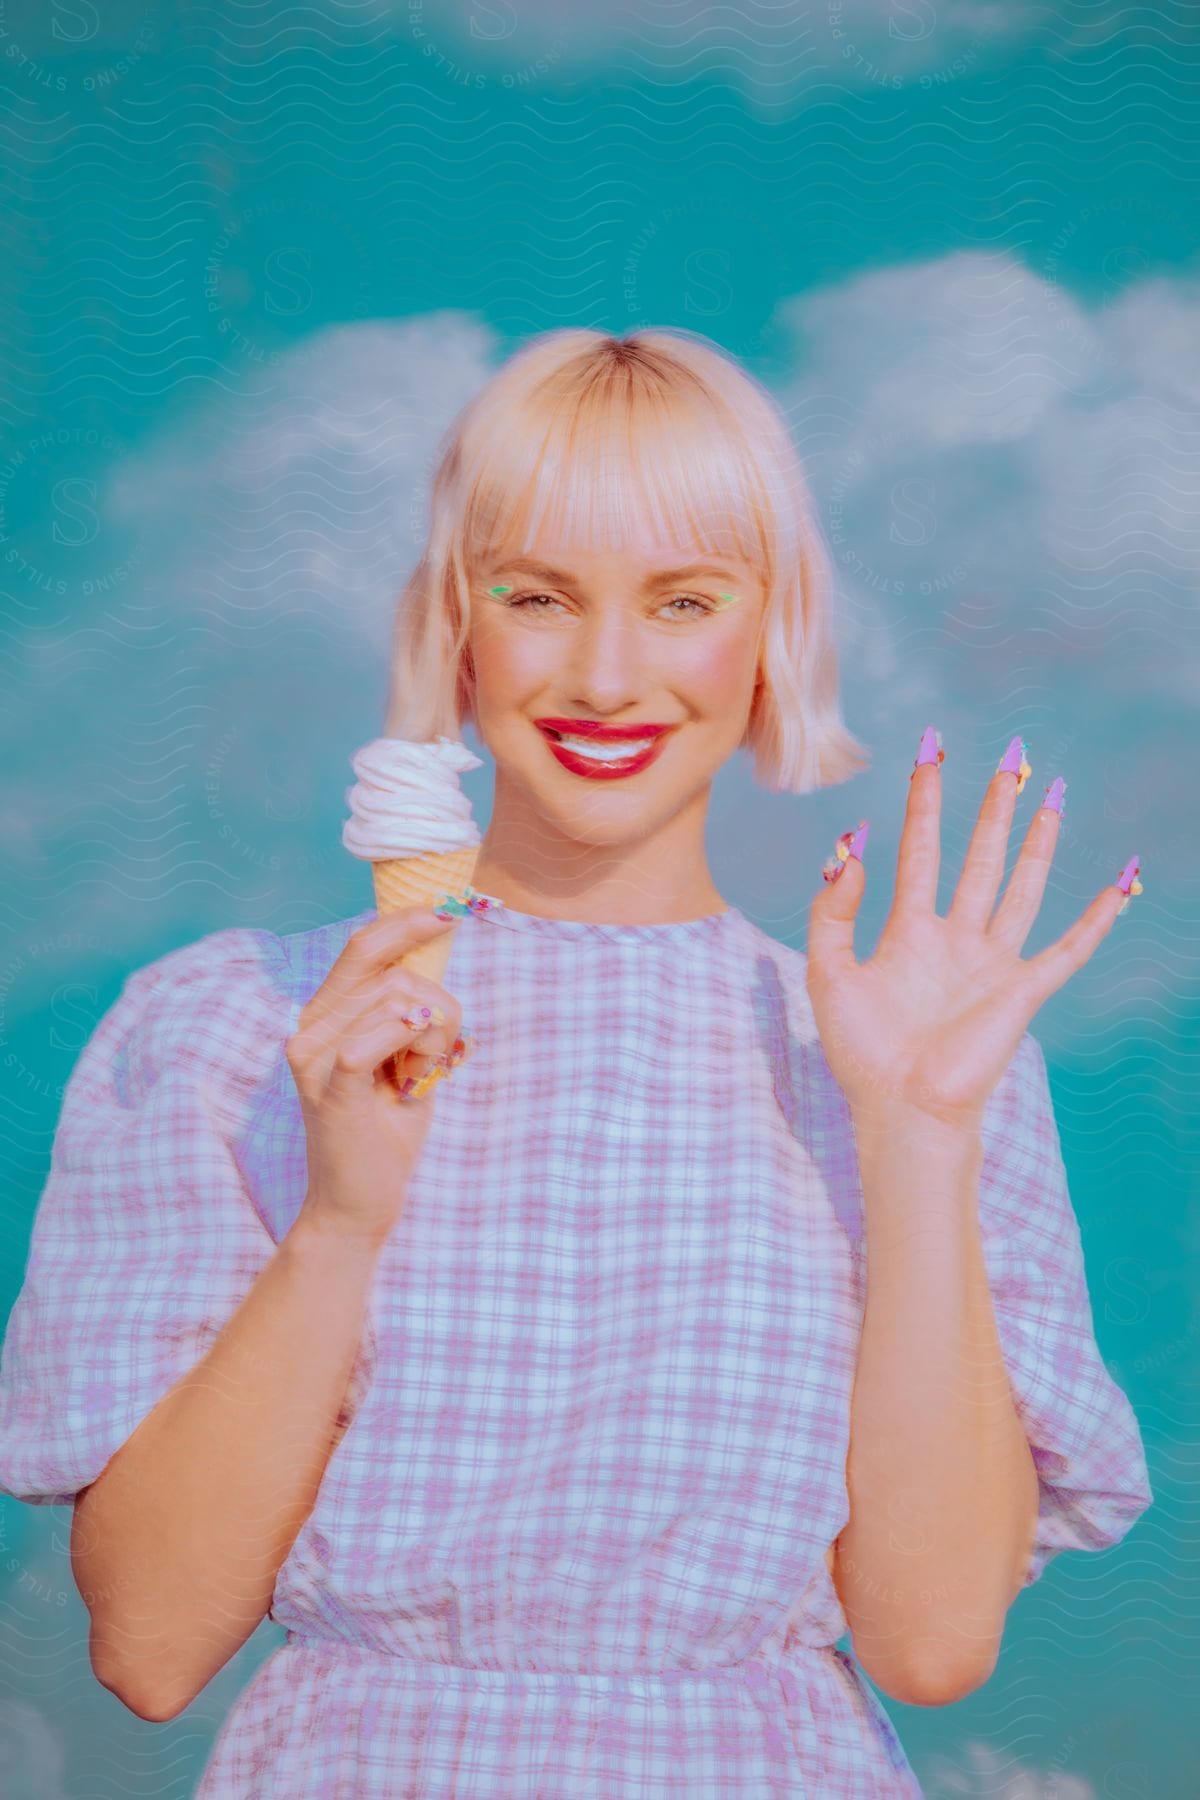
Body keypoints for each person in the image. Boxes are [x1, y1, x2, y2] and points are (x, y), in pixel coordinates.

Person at [0, 329, 1152, 1796]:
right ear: (456, 622)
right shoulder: (232, 1026)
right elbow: (151, 1647)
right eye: (538, 596)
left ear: (770, 632)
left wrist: (919, 1137)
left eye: (684, 601)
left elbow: (930, 1647)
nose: (607, 675)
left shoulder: (910, 1058)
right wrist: (341, 1221)